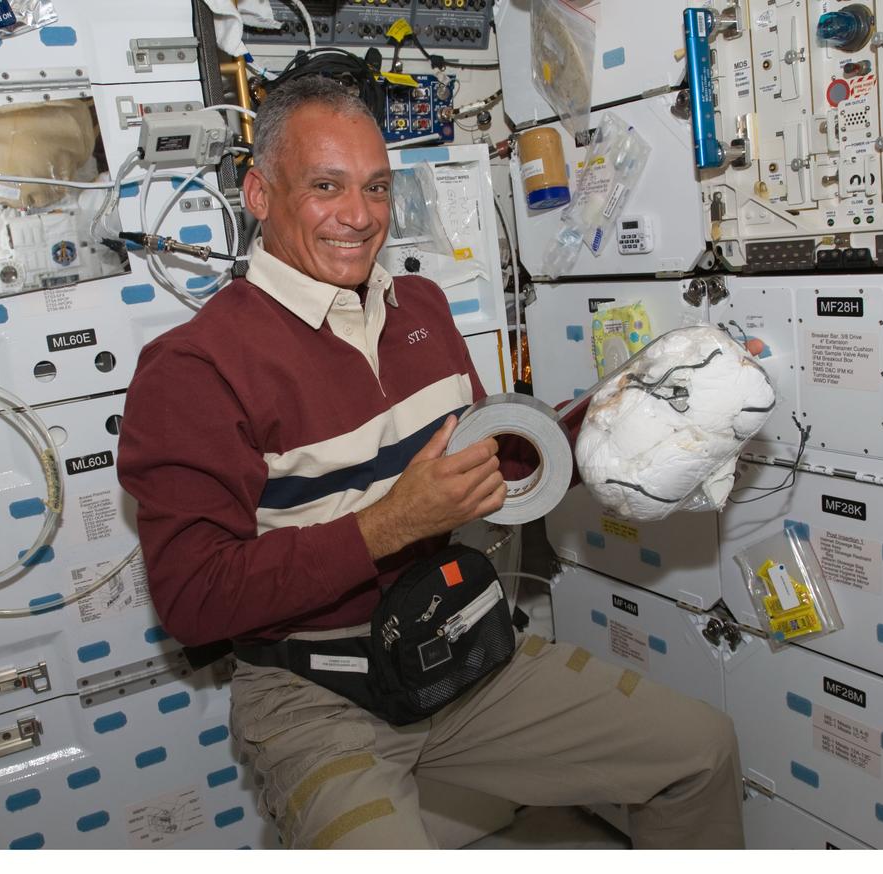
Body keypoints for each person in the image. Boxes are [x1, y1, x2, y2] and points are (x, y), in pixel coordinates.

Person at [117, 75, 745, 850]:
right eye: (326, 186)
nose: (360, 215)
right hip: (316, 694)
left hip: (460, 647)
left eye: (377, 187)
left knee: (699, 752)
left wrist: (634, 426)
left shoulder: (422, 307)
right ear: (258, 193)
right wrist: (387, 525)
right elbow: (193, 599)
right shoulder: (193, 369)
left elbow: (496, 469)